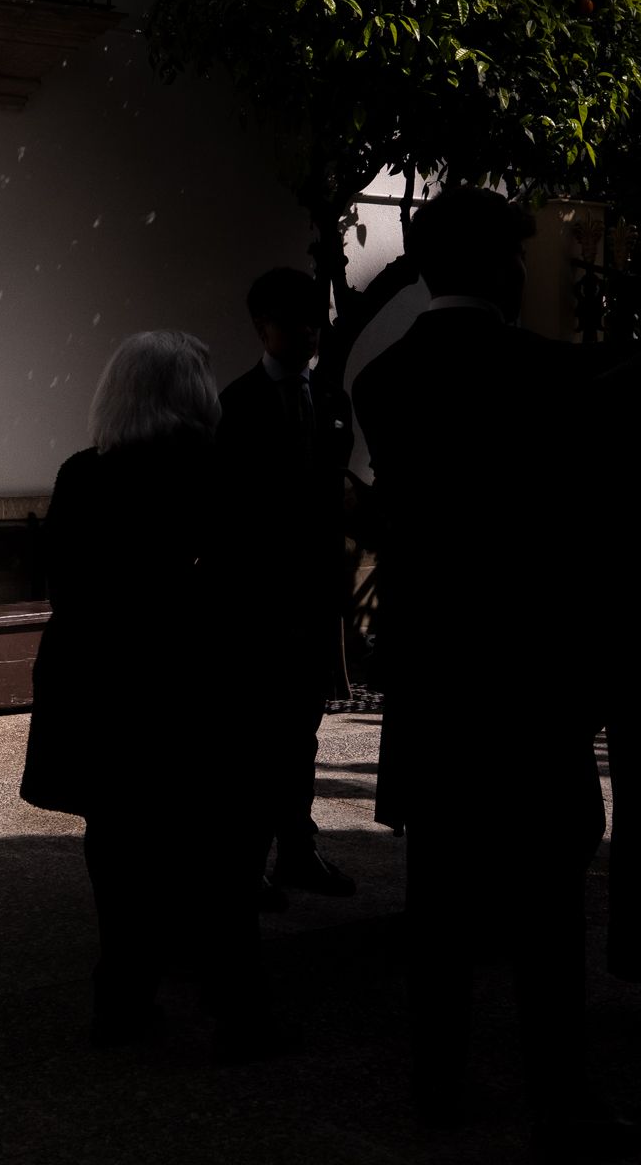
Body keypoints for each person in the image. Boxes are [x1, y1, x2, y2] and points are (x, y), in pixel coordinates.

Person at [352, 187, 631, 1153]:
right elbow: (584, 537)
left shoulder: (381, 382)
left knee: (438, 898)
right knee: (550, 905)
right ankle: (557, 1083)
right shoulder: (555, 377)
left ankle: (439, 1082)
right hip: (533, 676)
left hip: (436, 680)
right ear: (506, 270)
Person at [20, 330, 280, 1060]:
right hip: (197, 692)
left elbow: (65, 584)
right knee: (222, 861)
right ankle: (239, 1010)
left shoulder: (83, 474)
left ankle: (122, 1004)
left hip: (104, 690)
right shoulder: (220, 468)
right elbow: (249, 588)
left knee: (121, 850)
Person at [214, 268, 356, 911]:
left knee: (303, 733)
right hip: (257, 601)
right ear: (260, 326)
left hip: (315, 594)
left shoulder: (331, 399)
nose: (307, 329)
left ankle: (297, 850)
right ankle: (246, 863)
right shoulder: (235, 405)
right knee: (255, 737)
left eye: (312, 317)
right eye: (292, 319)